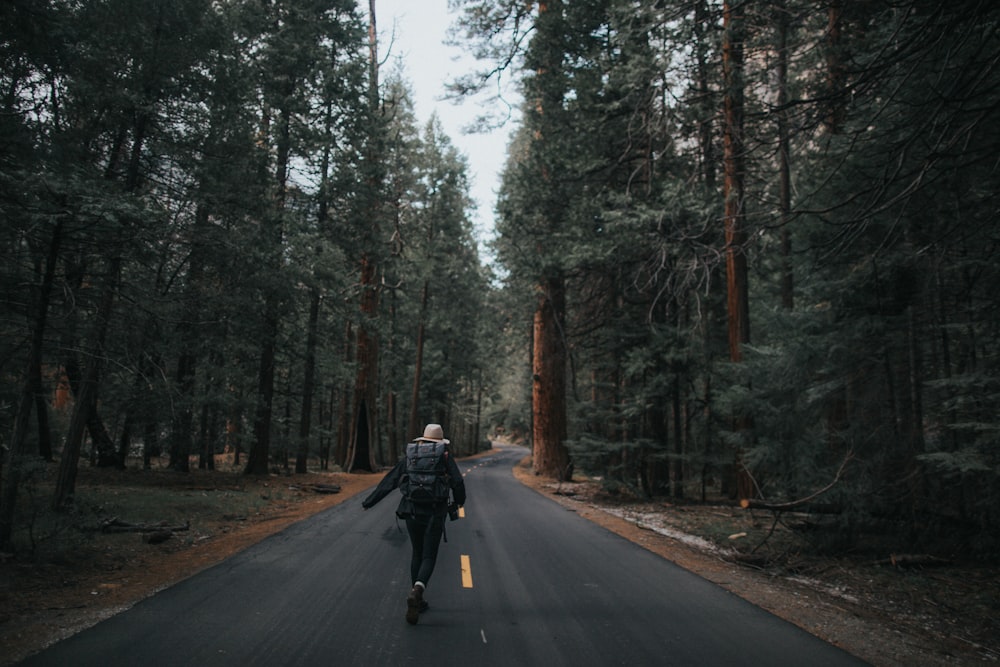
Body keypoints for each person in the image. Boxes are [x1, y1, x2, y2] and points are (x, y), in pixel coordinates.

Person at [362, 423, 466, 625]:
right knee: (429, 555)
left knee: (417, 553)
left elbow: (391, 479)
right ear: (440, 441)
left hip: (411, 510)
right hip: (435, 512)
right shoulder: (444, 456)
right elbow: (458, 482)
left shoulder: (412, 454)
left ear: (423, 439)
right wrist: (459, 502)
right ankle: (418, 590)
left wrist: (370, 502)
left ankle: (417, 597)